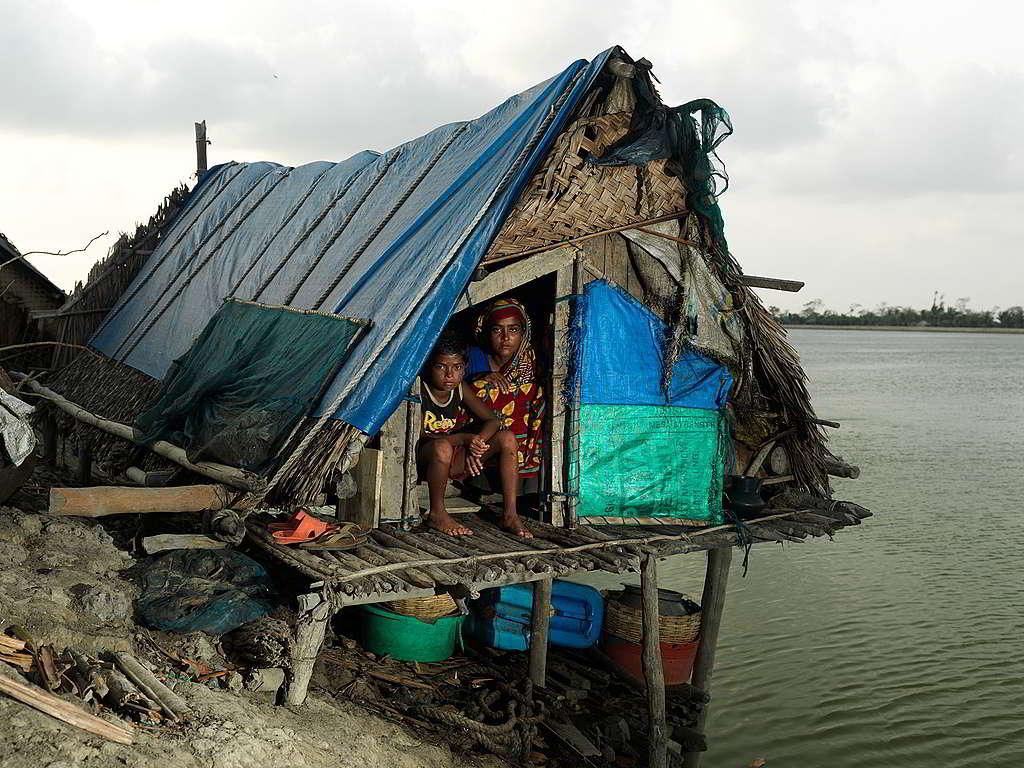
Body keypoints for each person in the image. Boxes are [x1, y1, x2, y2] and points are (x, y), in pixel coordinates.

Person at [417, 330, 533, 538]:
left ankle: (510, 513)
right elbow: (416, 438)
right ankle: (437, 513)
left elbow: (492, 420)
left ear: (465, 368)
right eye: (441, 367)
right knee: (442, 447)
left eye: (457, 367)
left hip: (451, 457)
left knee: (507, 438)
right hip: (422, 460)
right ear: (428, 365)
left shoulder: (459, 388)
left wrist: (477, 443)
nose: (449, 375)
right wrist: (463, 439)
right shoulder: (418, 389)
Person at [467, 298, 547, 484]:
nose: (505, 337)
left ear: (523, 333)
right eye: (497, 329)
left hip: (525, 444)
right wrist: (477, 379)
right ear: (485, 332)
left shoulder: (533, 362)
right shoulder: (472, 358)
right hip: (480, 445)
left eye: (513, 329)